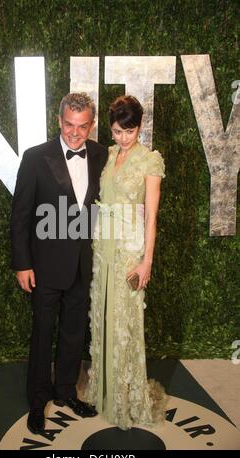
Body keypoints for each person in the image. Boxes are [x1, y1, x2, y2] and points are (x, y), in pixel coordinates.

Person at [10, 92, 108, 433]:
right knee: (42, 335)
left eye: (82, 127)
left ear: (91, 125)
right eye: (69, 124)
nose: (75, 133)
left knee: (73, 333)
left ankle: (66, 393)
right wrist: (23, 264)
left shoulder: (100, 154)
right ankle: (38, 403)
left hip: (83, 264)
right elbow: (20, 215)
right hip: (45, 265)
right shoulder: (36, 157)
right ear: (59, 121)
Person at [84, 95, 167, 430]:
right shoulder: (110, 154)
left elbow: (150, 216)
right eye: (117, 131)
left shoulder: (149, 160)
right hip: (103, 248)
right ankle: (104, 392)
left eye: (128, 131)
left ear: (140, 126)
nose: (122, 137)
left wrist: (146, 261)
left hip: (130, 251)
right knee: (103, 319)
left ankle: (126, 398)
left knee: (125, 325)